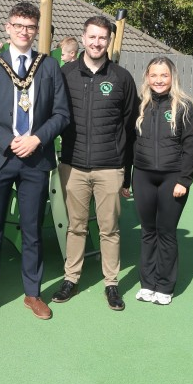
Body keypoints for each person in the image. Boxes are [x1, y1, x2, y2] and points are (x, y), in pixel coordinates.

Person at [0, 1, 70, 321]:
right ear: (7, 28)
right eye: (18, 25)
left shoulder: (49, 66)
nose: (24, 32)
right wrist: (7, 140)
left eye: (30, 27)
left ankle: (33, 293)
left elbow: (62, 114)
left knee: (32, 229)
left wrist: (37, 138)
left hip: (35, 159)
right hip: (0, 157)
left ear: (36, 30)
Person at [51, 16, 138, 311]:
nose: (97, 43)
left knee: (109, 228)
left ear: (109, 41)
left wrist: (126, 174)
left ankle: (111, 284)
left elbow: (129, 127)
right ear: (83, 37)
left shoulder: (121, 78)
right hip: (72, 165)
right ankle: (71, 279)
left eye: (103, 38)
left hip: (109, 167)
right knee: (75, 227)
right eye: (92, 37)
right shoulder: (65, 74)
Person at [131, 57, 193, 306]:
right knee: (148, 232)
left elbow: (191, 146)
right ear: (147, 77)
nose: (159, 80)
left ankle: (165, 286)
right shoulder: (140, 105)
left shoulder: (184, 106)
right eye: (154, 75)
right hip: (142, 176)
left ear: (172, 78)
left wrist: (184, 179)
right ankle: (147, 283)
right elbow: (129, 141)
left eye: (164, 75)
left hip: (173, 178)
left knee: (166, 232)